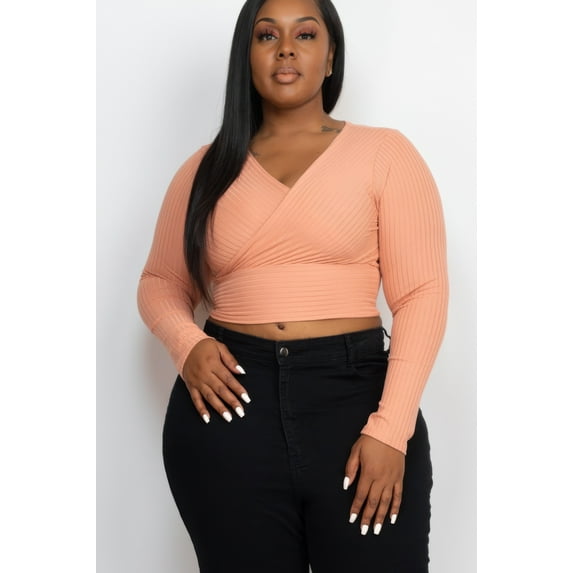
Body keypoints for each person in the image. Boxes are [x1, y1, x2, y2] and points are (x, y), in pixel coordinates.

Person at [137, 0, 448, 571]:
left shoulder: (385, 154)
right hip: (231, 411)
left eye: (305, 34)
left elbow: (422, 295)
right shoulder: (206, 169)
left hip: (356, 404)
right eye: (266, 35)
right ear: (247, 56)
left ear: (330, 57)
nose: (285, 48)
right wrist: (188, 344)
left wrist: (391, 429)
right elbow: (160, 282)